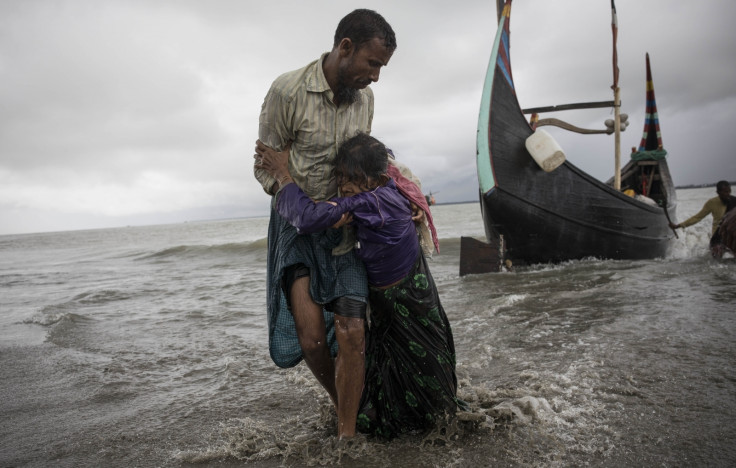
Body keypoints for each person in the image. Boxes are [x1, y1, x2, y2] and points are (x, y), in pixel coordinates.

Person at [252, 9, 436, 439]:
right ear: (345, 47)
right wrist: (290, 189)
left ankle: (348, 437)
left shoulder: (365, 100)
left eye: (382, 68)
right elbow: (265, 168)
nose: (375, 77)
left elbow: (369, 162)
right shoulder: (288, 91)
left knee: (353, 329)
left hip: (345, 227)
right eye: (372, 64)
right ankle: (345, 405)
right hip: (296, 228)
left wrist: (404, 197)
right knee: (312, 339)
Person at [256, 132, 463, 439]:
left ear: (377, 179)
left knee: (427, 373)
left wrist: (283, 175)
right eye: (340, 176)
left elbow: (307, 218)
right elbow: (399, 175)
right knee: (396, 374)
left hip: (408, 301)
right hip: (396, 300)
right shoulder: (387, 189)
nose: (343, 186)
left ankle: (441, 431)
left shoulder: (370, 201)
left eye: (352, 178)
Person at [670, 181, 736, 257]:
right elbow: (697, 217)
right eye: (725, 192)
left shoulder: (734, 201)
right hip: (717, 236)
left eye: (729, 191)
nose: (728, 194)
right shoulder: (712, 203)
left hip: (731, 236)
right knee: (717, 256)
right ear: (718, 192)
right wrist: (678, 225)